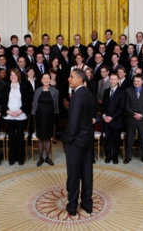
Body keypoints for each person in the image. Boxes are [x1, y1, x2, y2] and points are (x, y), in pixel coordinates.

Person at [62, 69, 96, 216]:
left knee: (74, 174)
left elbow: (74, 122)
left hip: (76, 142)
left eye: (71, 77)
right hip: (88, 140)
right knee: (87, 173)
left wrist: (67, 140)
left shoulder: (77, 96)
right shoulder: (89, 94)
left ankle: (72, 206)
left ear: (81, 80)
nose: (69, 79)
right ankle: (87, 204)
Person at [1, 68, 31, 166]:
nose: (13, 77)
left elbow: (27, 101)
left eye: (15, 75)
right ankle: (12, 158)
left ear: (18, 76)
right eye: (11, 75)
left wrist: (20, 111)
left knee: (19, 137)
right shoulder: (6, 87)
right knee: (11, 137)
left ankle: (20, 157)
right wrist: (8, 111)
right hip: (9, 116)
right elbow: (3, 102)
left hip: (21, 115)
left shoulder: (24, 86)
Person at [124, 73, 143, 165]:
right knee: (129, 139)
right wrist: (133, 114)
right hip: (131, 118)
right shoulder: (128, 91)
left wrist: (141, 114)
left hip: (142, 118)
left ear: (142, 81)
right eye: (135, 81)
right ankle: (128, 157)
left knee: (142, 139)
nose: (136, 83)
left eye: (138, 81)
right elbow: (126, 105)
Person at [32, 73, 59, 166]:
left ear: (50, 80)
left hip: (50, 117)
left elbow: (56, 105)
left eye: (48, 78)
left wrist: (56, 115)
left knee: (48, 138)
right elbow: (35, 104)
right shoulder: (37, 91)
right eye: (44, 78)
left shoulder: (55, 90)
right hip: (40, 117)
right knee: (40, 138)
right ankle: (40, 158)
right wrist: (33, 114)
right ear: (41, 80)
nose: (46, 80)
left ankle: (47, 157)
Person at [101, 73, 125, 164]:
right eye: (111, 79)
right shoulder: (106, 91)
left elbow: (121, 108)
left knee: (116, 140)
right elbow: (103, 106)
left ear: (118, 80)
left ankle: (115, 157)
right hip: (106, 120)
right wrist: (104, 116)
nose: (112, 81)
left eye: (114, 79)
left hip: (116, 121)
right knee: (107, 140)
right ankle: (108, 156)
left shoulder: (122, 92)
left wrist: (112, 117)